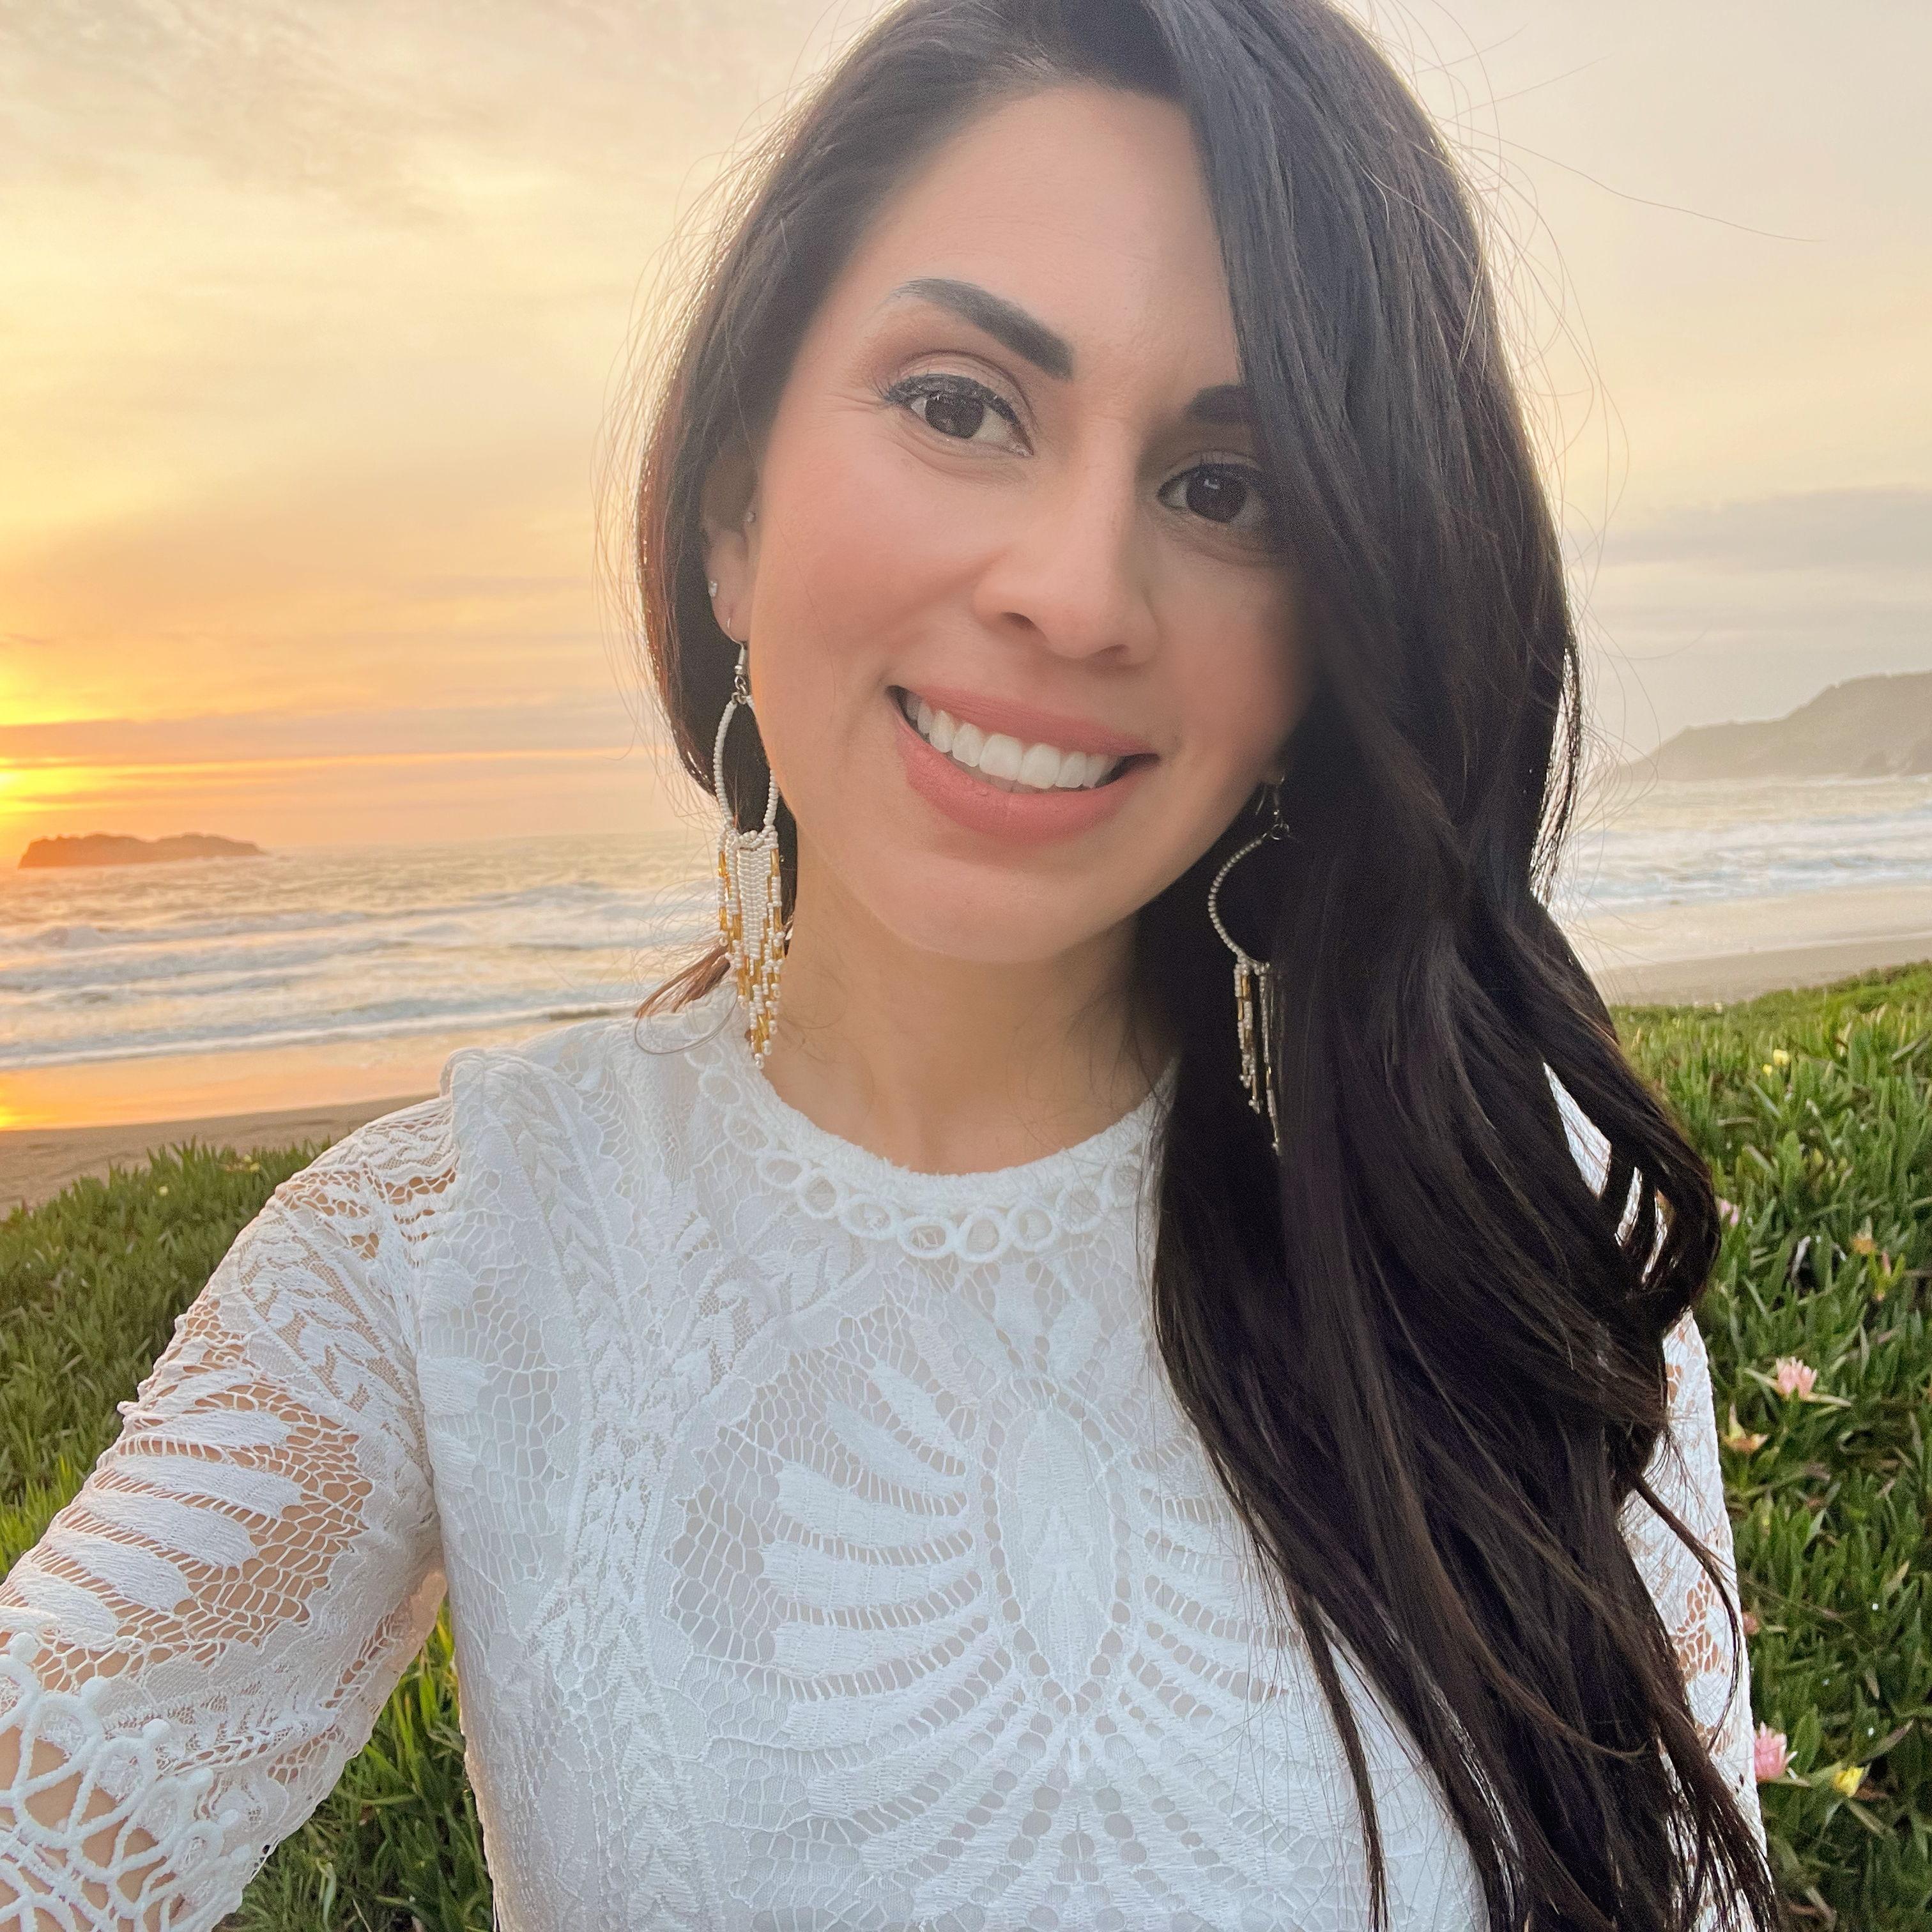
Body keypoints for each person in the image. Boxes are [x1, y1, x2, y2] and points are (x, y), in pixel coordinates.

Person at [1, 1, 1779, 1927]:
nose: (1074, 593)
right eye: (959, 404)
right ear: (732, 511)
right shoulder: (449, 1261)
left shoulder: (1514, 1231)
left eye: (1228, 487)